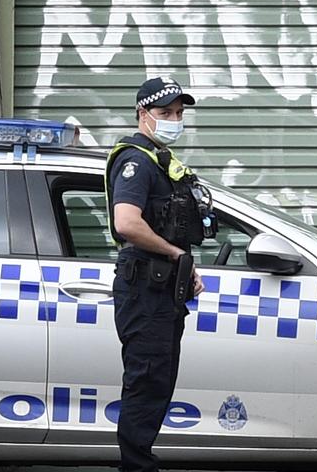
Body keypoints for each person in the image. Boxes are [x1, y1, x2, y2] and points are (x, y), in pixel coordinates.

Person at [106, 76, 208, 472]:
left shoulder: (160, 161)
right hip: (144, 289)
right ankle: (136, 466)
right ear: (142, 114)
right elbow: (126, 223)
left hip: (161, 286)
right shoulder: (137, 161)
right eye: (165, 113)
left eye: (179, 114)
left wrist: (183, 263)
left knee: (157, 384)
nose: (174, 120)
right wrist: (175, 253)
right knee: (146, 384)